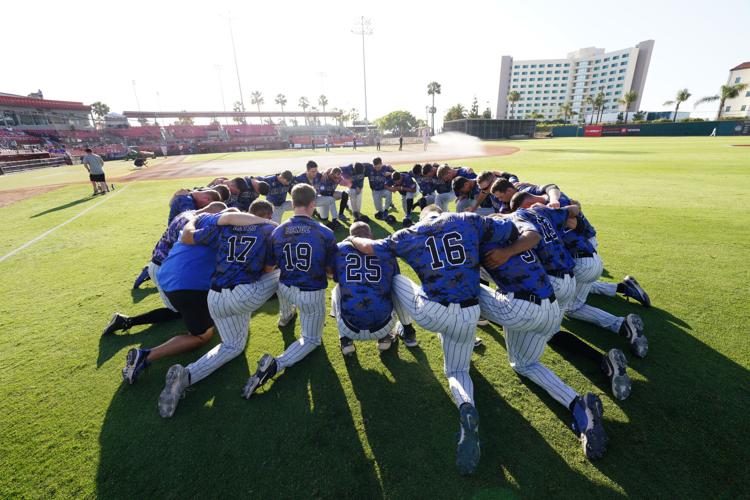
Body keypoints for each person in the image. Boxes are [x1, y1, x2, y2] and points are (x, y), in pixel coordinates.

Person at [348, 205, 525, 475]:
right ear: (441, 212)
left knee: (397, 279)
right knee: (457, 370)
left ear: (424, 216)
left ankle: (405, 329)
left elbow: (369, 246)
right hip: (469, 312)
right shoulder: (468, 220)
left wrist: (352, 239)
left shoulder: (410, 231)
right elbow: (512, 229)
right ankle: (466, 405)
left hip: (432, 312)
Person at [478, 219, 610, 459]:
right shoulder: (516, 236)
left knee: (523, 364)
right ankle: (597, 369)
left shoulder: (484, 246)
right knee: (530, 352)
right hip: (551, 307)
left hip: (523, 308)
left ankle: (577, 405)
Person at [157, 200, 280, 418]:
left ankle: (186, 375)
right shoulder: (269, 229)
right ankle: (288, 314)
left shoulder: (222, 226)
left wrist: (194, 218)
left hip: (214, 296)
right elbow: (268, 269)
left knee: (234, 346)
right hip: (243, 295)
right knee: (283, 274)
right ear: (268, 214)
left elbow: (188, 237)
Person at [511, 191, 648, 359]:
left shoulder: (544, 212)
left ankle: (621, 325)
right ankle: (622, 289)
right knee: (574, 288)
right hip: (590, 258)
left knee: (572, 306)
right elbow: (574, 208)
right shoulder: (550, 210)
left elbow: (567, 208)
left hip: (580, 262)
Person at [242, 184, 338, 399]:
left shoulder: (276, 230)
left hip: (285, 287)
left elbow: (269, 268)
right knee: (312, 340)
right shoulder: (325, 232)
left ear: (292, 203)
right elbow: (331, 272)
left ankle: (285, 318)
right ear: (313, 203)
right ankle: (276, 364)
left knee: (285, 299)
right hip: (311, 292)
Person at [103, 202, 227, 336]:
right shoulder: (193, 223)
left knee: (188, 304)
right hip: (166, 268)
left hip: (162, 264)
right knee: (179, 310)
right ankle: (126, 321)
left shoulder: (187, 214)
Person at [331, 222, 415, 354]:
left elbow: (335, 277)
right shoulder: (382, 247)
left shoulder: (339, 249)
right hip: (383, 326)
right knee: (397, 283)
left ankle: (345, 340)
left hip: (349, 327)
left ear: (350, 236)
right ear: (371, 235)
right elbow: (394, 278)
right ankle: (404, 333)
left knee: (338, 288)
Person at [294, 160, 339, 228]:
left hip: (316, 198)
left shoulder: (318, 175)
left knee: (331, 199)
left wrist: (325, 172)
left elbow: (331, 170)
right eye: (313, 171)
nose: (315, 173)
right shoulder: (300, 178)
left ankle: (335, 220)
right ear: (307, 170)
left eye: (316, 171)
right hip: (305, 203)